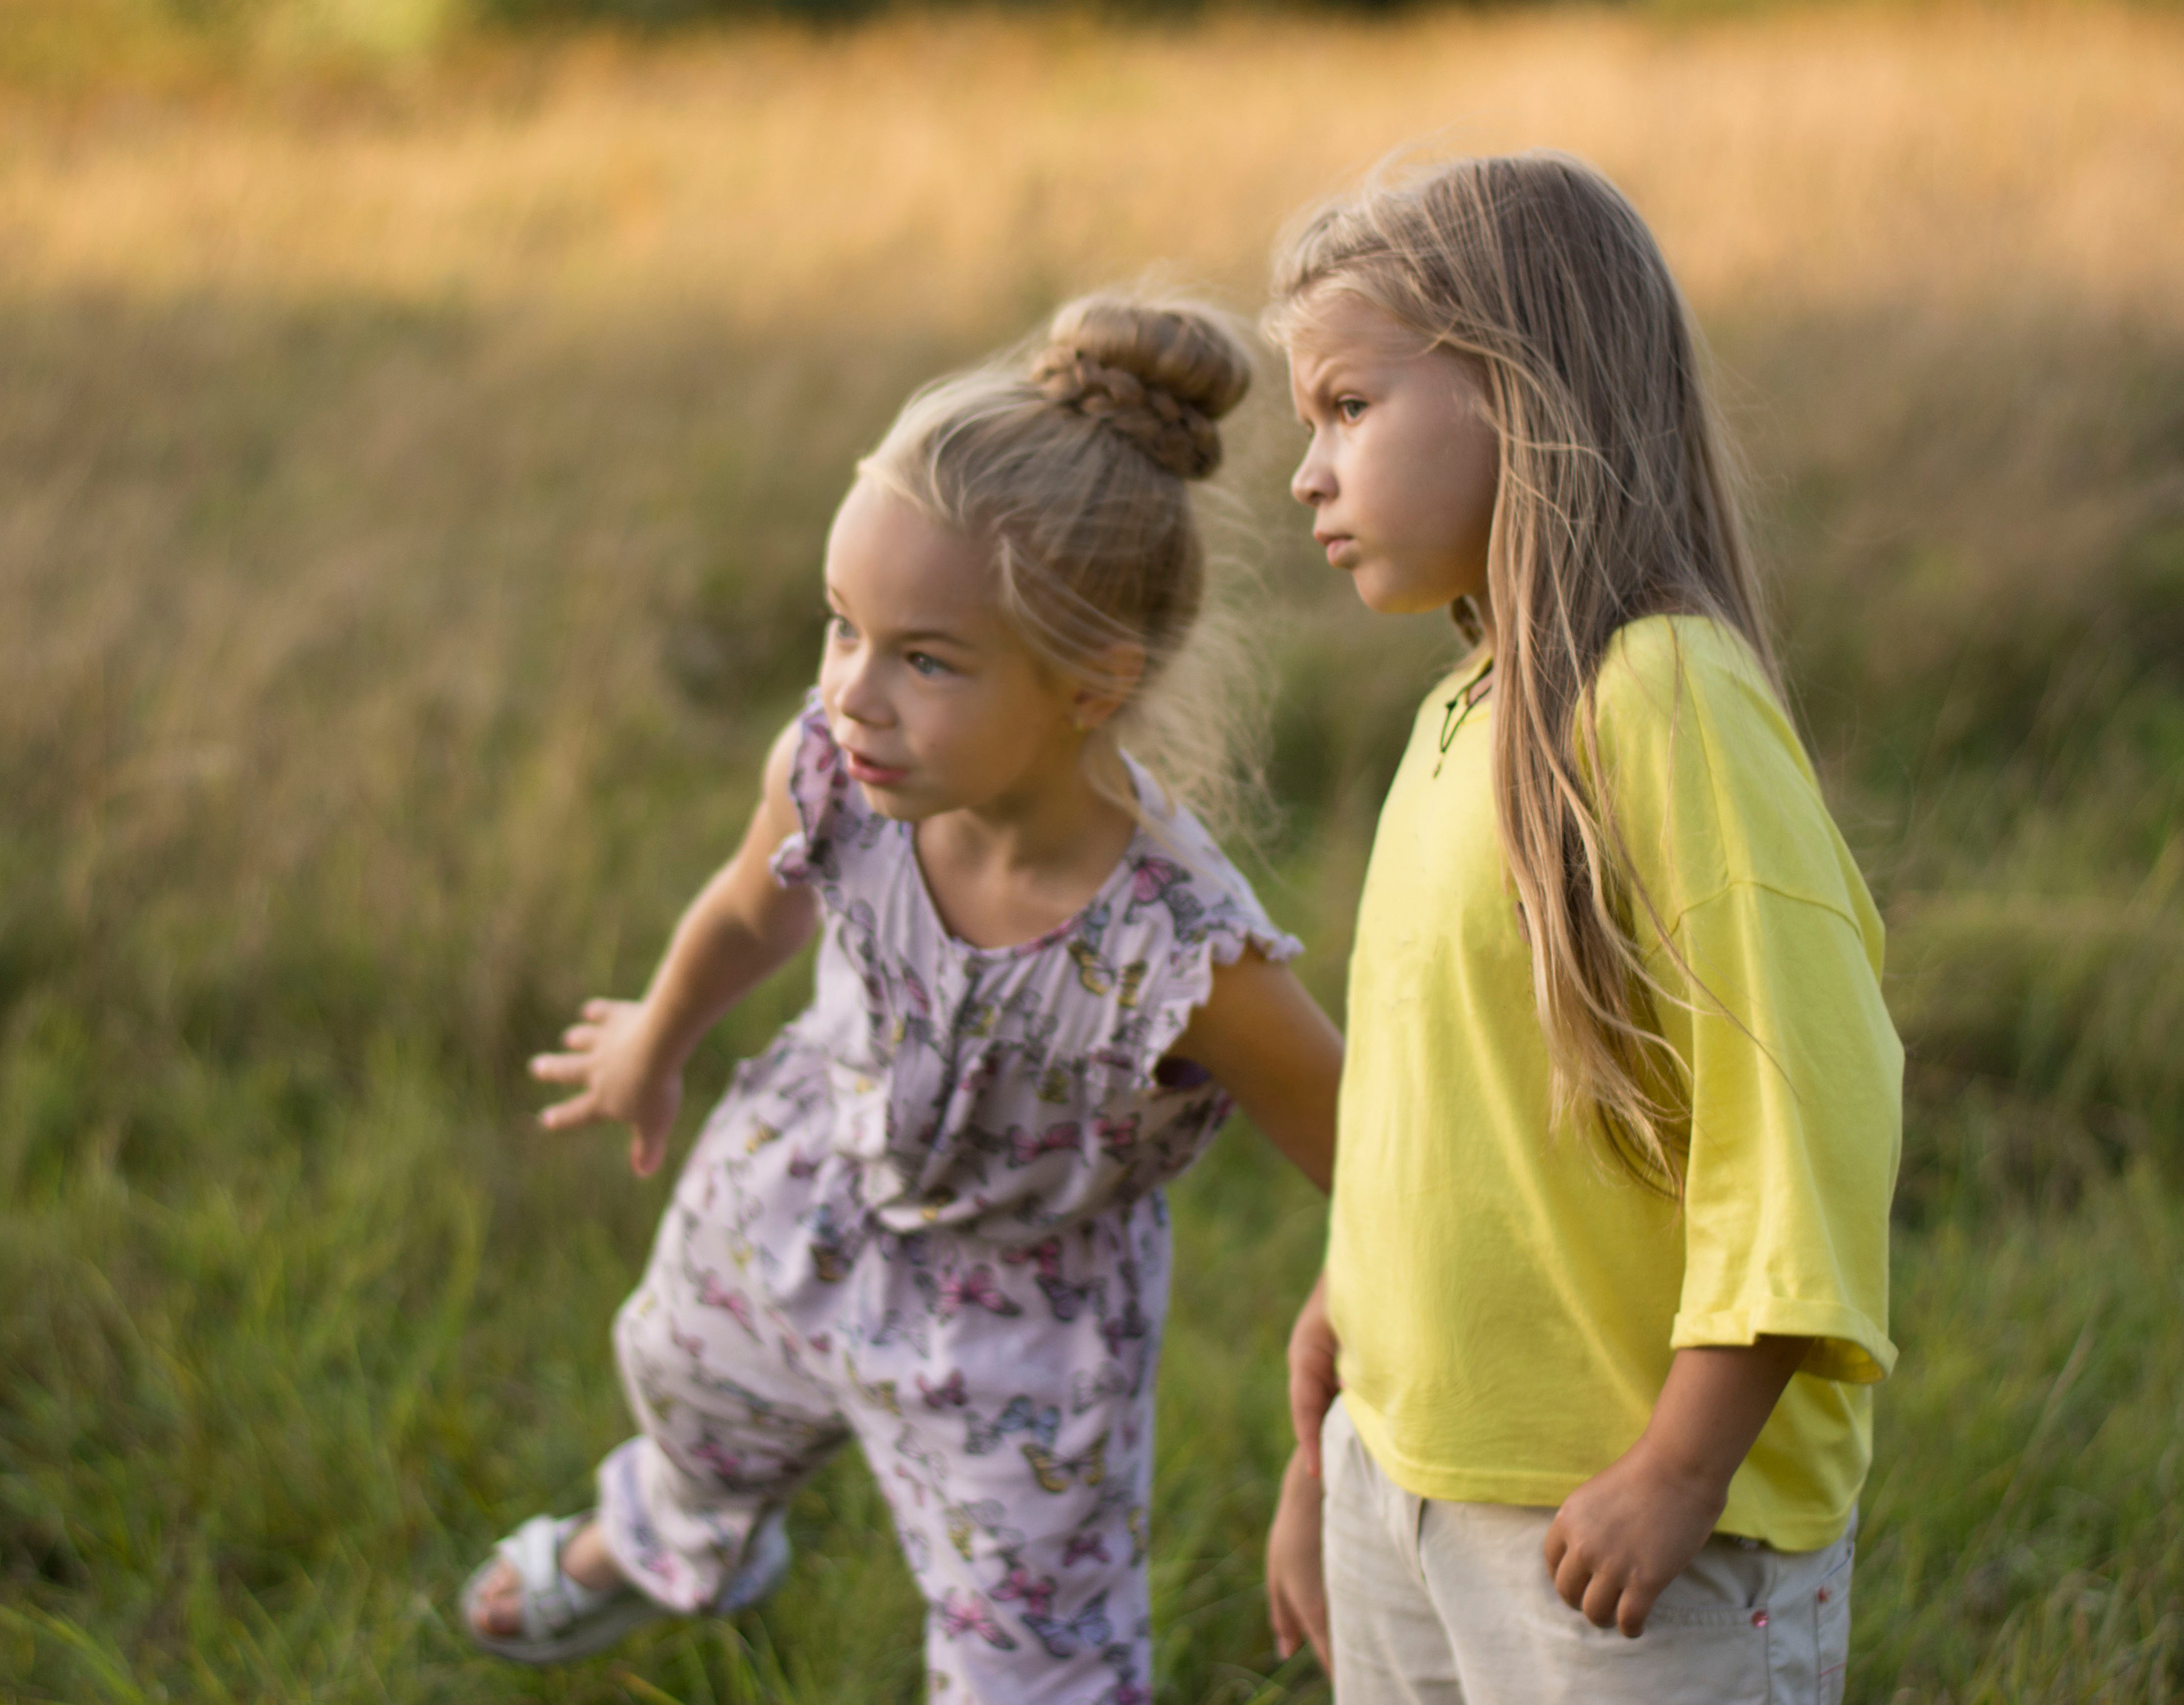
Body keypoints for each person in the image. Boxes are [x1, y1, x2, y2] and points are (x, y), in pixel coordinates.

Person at [462, 293, 1349, 1704]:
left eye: (925, 657)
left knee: (1035, 1662)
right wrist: (658, 1032)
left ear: (1091, 680)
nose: (854, 694)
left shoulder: (1182, 952)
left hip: (1026, 1330)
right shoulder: (840, 769)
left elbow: (1371, 1173)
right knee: (694, 1400)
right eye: (841, 628)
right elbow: (755, 904)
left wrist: (1334, 1438)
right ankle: (668, 1540)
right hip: (805, 1187)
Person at [1256, 151, 1904, 1704]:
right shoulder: (1458, 722)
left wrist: (1683, 1464)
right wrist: (1344, 1346)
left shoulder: (1664, 701)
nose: (1306, 474)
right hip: (1407, 1480)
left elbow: (1799, 1109)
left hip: (1616, 1529)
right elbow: (1455, 1085)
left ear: (1522, 390)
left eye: (1349, 408)